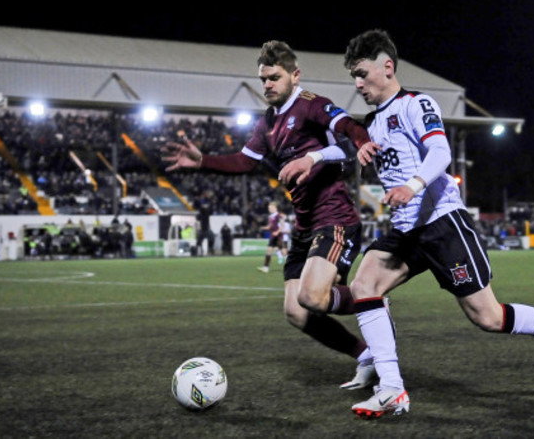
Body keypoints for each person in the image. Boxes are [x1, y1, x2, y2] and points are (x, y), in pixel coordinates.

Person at [343, 29, 534, 419]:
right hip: (408, 228)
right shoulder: (372, 123)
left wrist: (413, 185)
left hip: (443, 222)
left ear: (387, 67)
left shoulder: (415, 103)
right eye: (353, 77)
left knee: (488, 317)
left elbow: (440, 151)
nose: (358, 84)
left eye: (362, 73)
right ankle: (392, 388)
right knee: (364, 284)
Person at [161, 39, 379, 387]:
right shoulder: (269, 123)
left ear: (295, 75)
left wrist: (321, 155)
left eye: (274, 77)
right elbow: (245, 160)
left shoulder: (312, 106)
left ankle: (373, 300)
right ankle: (367, 356)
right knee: (296, 311)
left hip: (334, 218)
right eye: (263, 79)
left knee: (312, 297)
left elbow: (350, 133)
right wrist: (203, 161)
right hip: (304, 226)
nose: (267, 85)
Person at [258, 201, 285, 273]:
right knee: (269, 251)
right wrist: (263, 228)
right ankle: (265, 268)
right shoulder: (270, 217)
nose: (269, 209)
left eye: (271, 207)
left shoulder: (278, 216)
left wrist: (277, 232)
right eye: (269, 208)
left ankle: (295, 265)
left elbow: (282, 225)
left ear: (275, 208)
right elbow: (270, 226)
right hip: (273, 236)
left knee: (283, 252)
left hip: (278, 236)